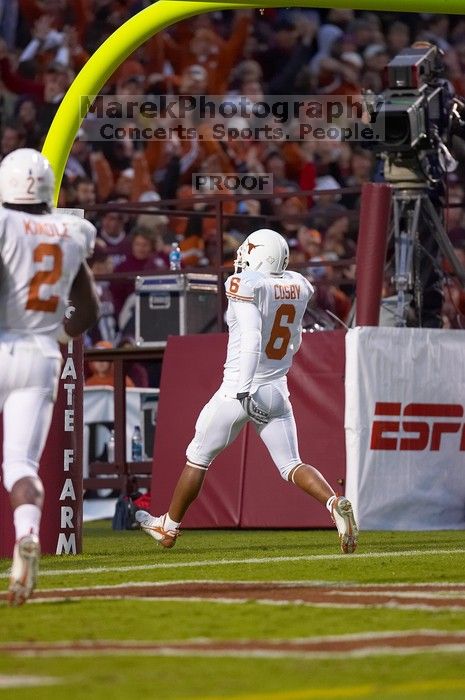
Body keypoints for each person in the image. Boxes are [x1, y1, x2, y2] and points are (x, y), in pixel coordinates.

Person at [136, 228, 358, 554]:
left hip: (241, 389)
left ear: (258, 256)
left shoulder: (244, 285)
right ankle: (333, 502)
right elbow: (294, 339)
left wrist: (242, 391)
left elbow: (253, 338)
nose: (241, 256)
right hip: (277, 389)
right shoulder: (296, 284)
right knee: (291, 464)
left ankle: (168, 527)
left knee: (198, 457)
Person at [0, 148, 100, 606]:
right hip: (43, 354)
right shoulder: (71, 231)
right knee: (20, 465)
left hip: (4, 343)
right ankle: (26, 535)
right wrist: (56, 332)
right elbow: (90, 309)